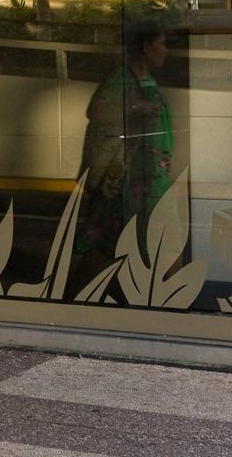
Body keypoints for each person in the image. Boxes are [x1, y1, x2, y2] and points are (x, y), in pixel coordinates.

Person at [71, 20, 174, 298]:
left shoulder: (142, 79)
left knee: (150, 240)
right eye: (161, 44)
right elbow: (99, 110)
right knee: (111, 243)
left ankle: (161, 299)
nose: (166, 51)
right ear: (145, 46)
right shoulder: (122, 78)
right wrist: (137, 106)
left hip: (150, 176)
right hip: (128, 178)